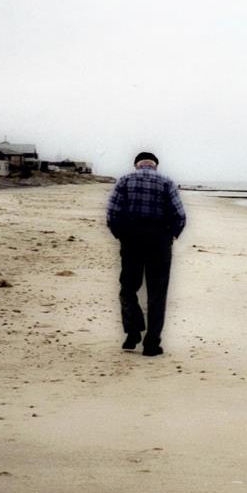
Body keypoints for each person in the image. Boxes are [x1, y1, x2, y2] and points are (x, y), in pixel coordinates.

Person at [106, 151, 186, 356]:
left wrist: (121, 235)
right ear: (155, 165)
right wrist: (171, 236)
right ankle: (151, 343)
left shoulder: (125, 180)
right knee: (157, 294)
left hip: (132, 240)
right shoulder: (167, 181)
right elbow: (179, 214)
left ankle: (133, 332)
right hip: (159, 242)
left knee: (128, 287)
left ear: (136, 165)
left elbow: (112, 212)